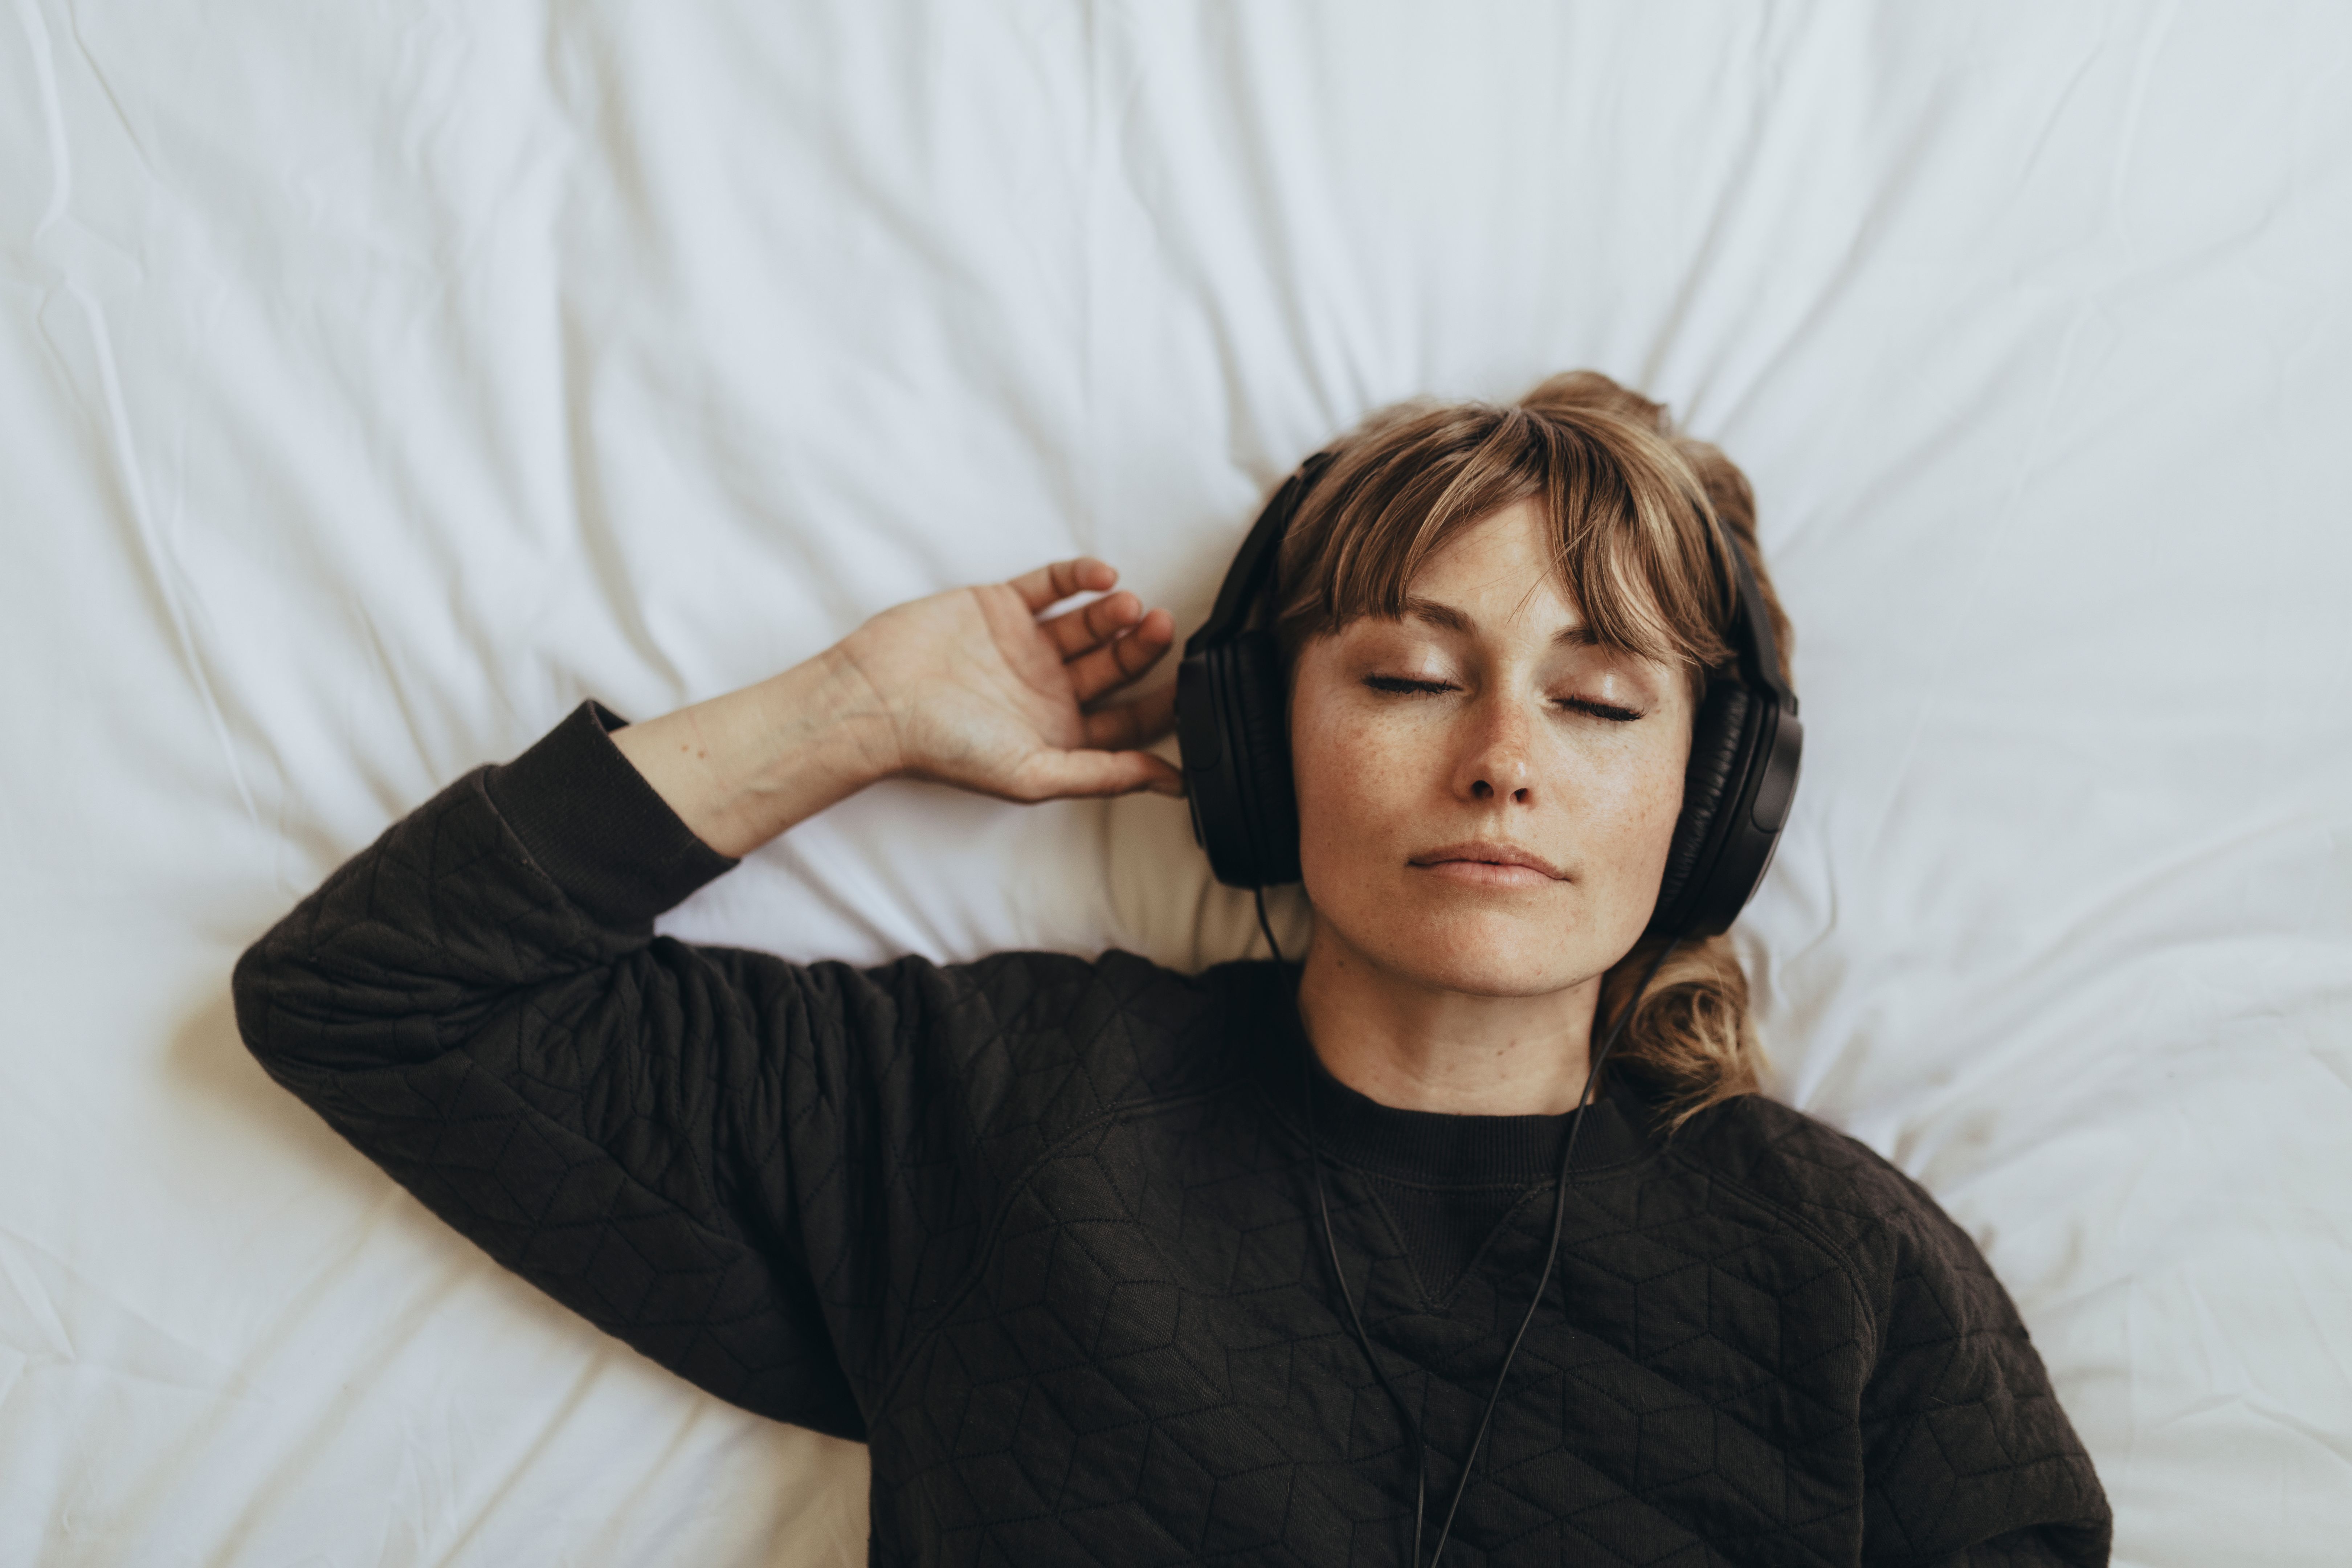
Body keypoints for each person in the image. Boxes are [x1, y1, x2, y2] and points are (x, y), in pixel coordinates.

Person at [234, 373, 2111, 1565]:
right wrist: (862, 709)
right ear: (1254, 745)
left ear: (1712, 802)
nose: (1504, 757)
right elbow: (376, 995)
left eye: (1601, 700)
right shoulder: (993, 1110)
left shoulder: (1849, 1271)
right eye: (1403, 674)